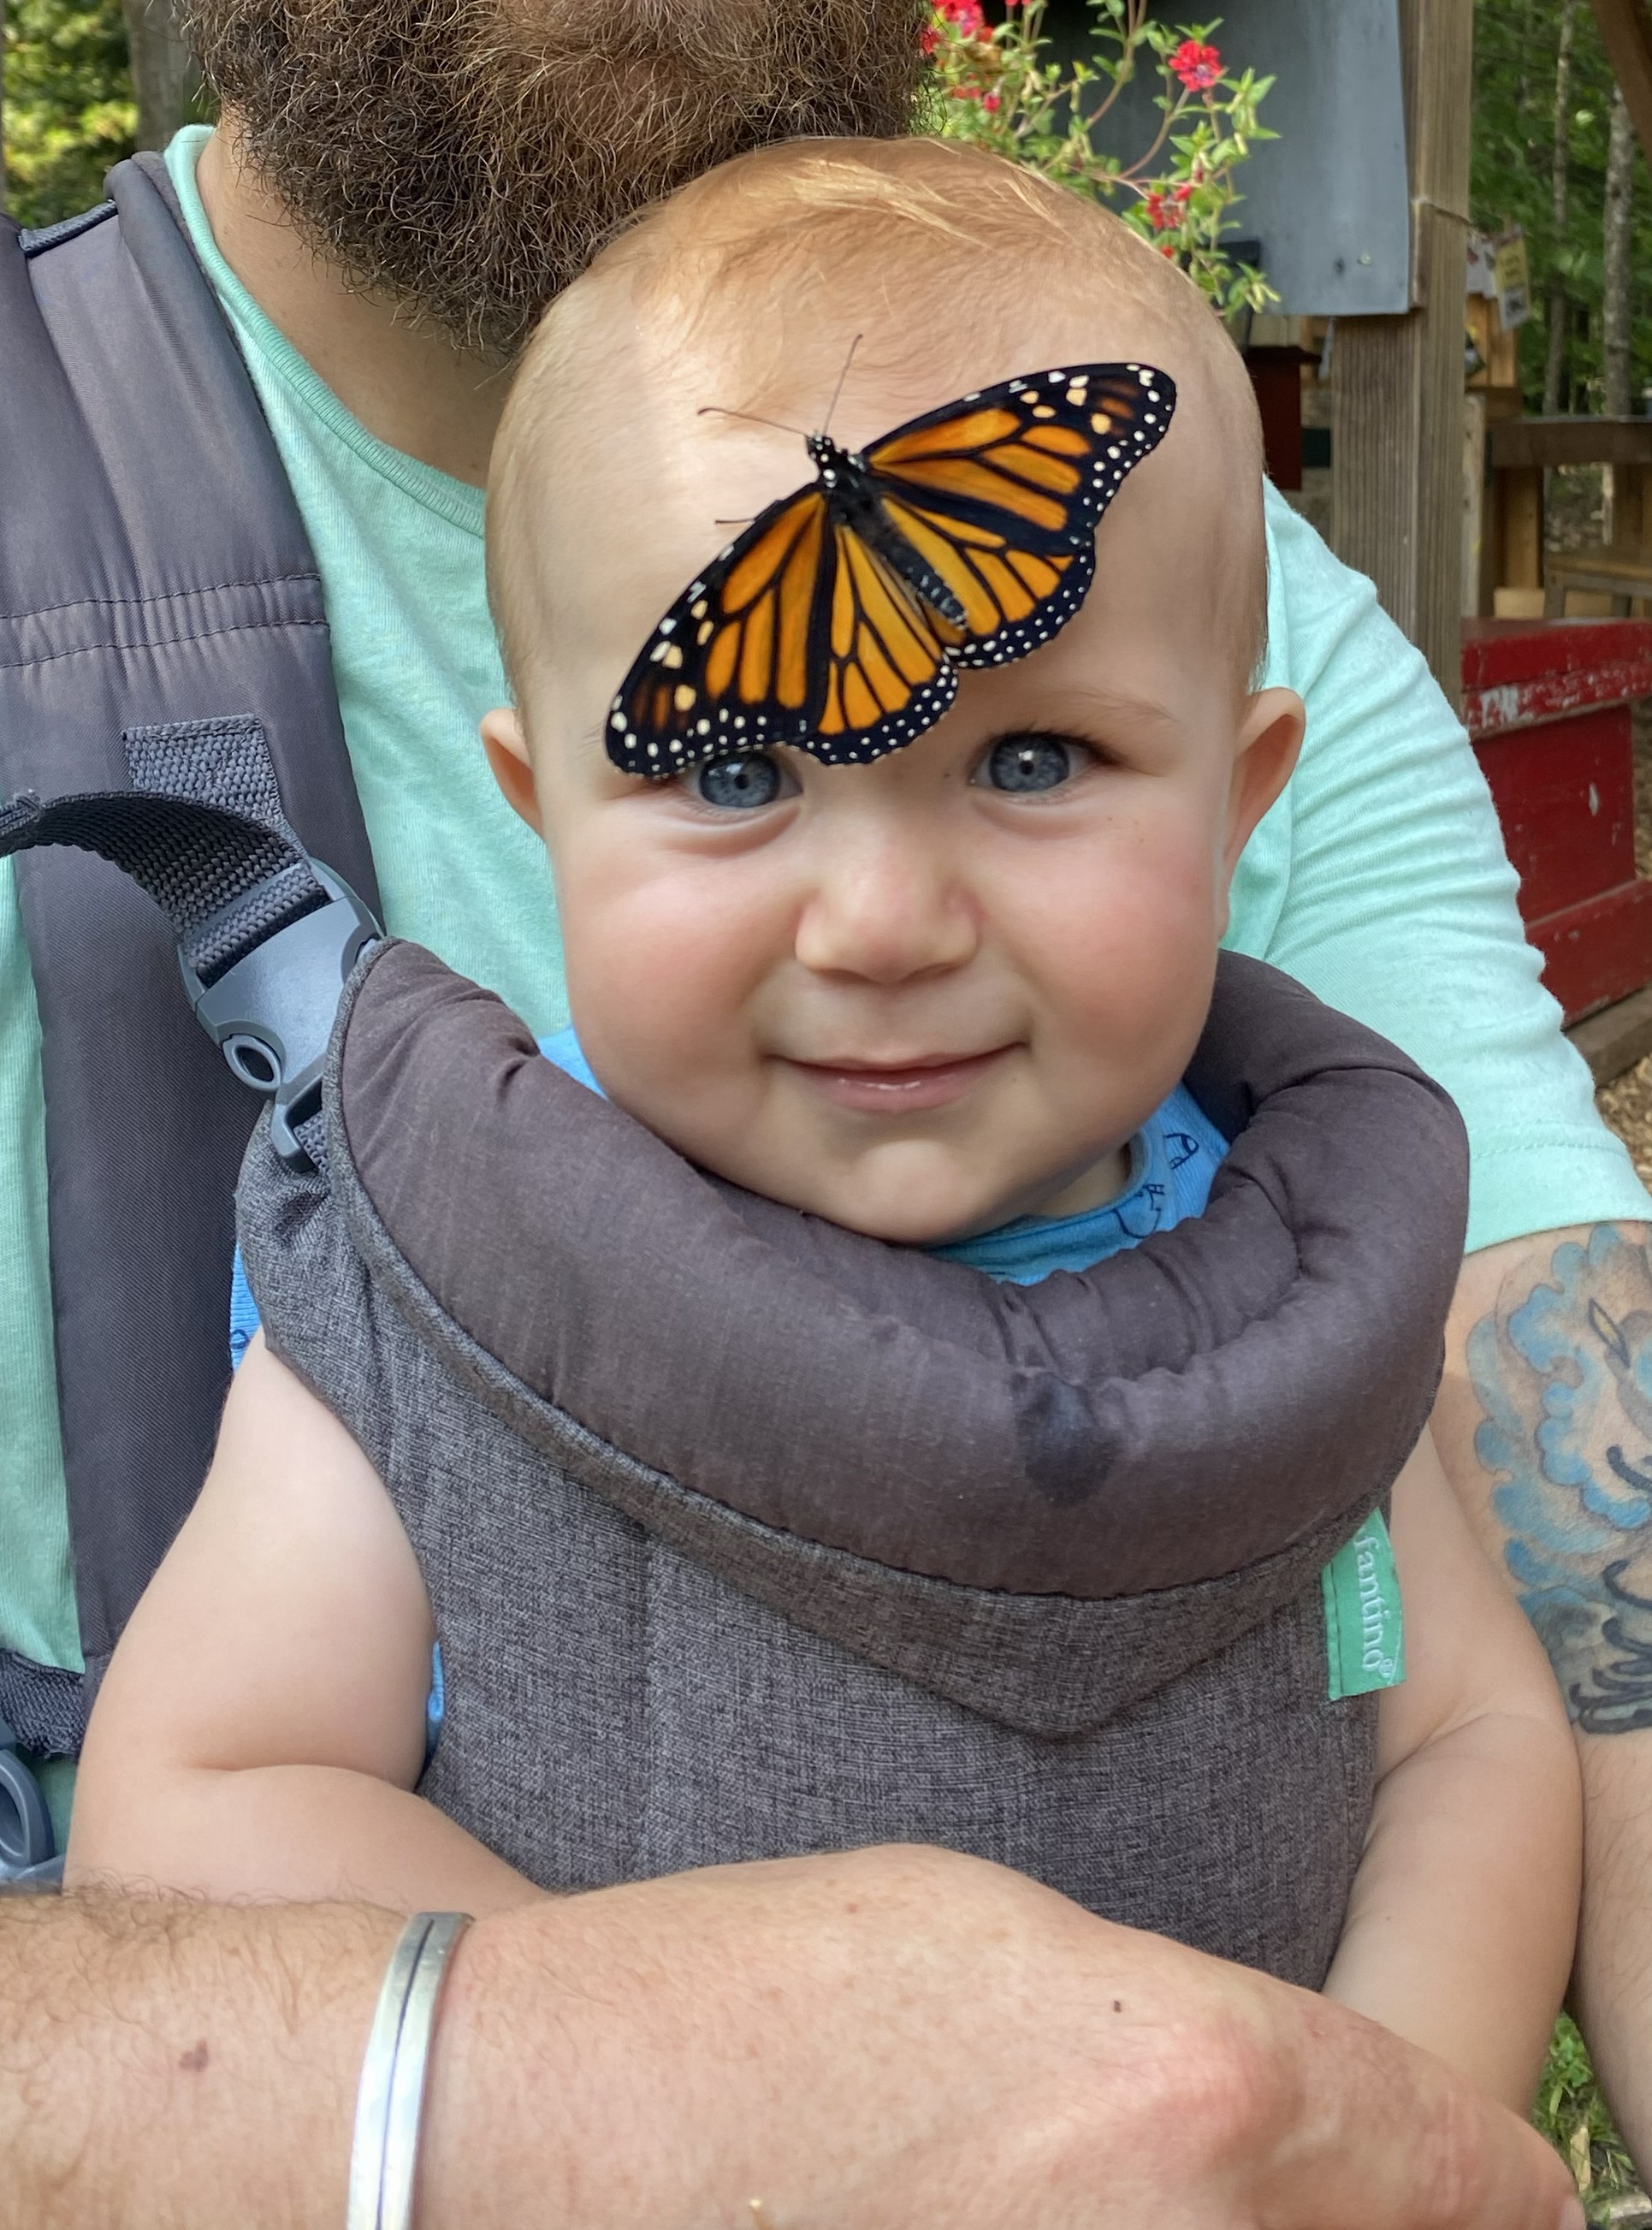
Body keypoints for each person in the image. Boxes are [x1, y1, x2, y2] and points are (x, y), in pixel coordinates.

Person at [0, 0, 1635, 2209]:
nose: (876, 920)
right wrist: (687, 2075)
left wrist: (1390, 2118)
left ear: (1251, 801)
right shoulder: (448, 1278)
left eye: (1032, 762)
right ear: (544, 812)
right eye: (731, 769)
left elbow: (1461, 1730)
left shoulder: (1285, 1261)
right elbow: (207, 1789)